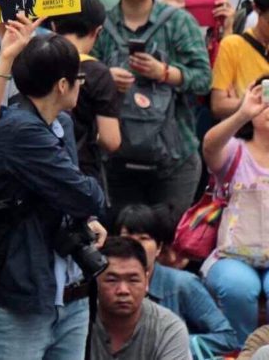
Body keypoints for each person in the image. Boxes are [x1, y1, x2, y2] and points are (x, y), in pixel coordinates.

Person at [0, 34, 106, 360]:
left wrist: (88, 219)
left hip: (71, 295)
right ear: (63, 84)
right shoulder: (22, 130)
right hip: (22, 298)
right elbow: (85, 195)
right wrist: (87, 201)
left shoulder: (60, 123)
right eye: (79, 78)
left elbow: (77, 200)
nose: (82, 85)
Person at [93, 0, 211, 219]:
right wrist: (104, 78)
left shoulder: (178, 22)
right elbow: (81, 75)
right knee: (124, 239)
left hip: (174, 157)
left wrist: (164, 73)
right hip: (116, 157)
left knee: (169, 239)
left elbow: (204, 79)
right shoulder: (102, 26)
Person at [114, 204, 236, 356]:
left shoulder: (182, 284)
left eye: (143, 239)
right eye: (127, 238)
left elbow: (227, 338)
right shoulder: (103, 284)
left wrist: (175, 343)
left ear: (159, 247)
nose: (134, 246)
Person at [201, 77, 269, 347]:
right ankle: (241, 351)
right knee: (240, 288)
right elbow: (209, 145)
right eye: (263, 100)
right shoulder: (234, 151)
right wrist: (242, 113)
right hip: (232, 256)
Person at [51, 0, 122, 194]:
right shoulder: (98, 73)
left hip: (41, 164)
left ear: (54, 26)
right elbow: (111, 140)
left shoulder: (35, 58)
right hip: (81, 173)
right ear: (97, 31)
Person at [90, 236, 190, 359]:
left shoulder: (167, 328)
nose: (123, 290)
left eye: (133, 280)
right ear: (94, 282)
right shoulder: (78, 322)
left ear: (146, 281)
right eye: (112, 280)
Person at [211, 0, 269, 118]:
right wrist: (252, 102)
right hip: (248, 134)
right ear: (256, 8)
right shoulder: (233, 45)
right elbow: (218, 105)